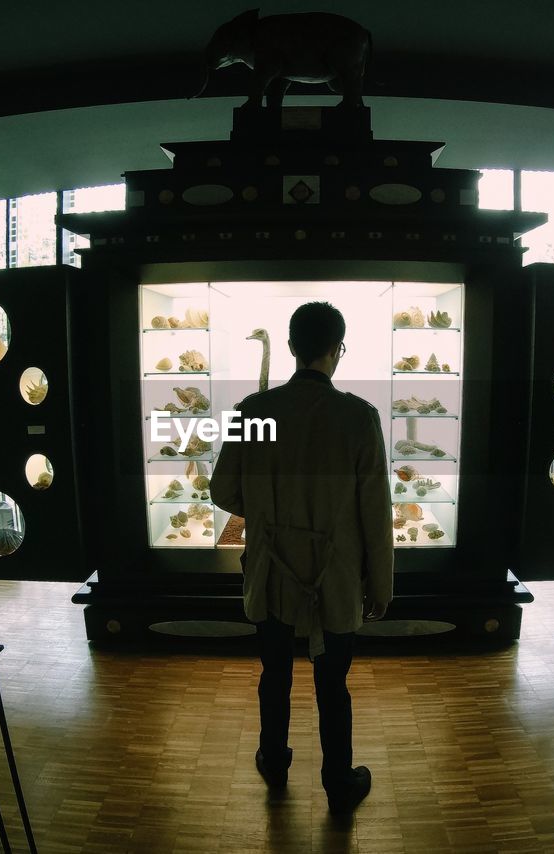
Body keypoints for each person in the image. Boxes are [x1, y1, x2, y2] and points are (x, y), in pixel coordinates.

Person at [212, 301, 394, 814]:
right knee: (332, 683)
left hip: (270, 571)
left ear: (291, 347)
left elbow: (224, 491)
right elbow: (375, 513)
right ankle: (338, 780)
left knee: (275, 673)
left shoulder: (254, 411)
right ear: (338, 350)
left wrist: (268, 510)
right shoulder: (359, 418)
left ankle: (274, 759)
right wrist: (381, 585)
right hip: (334, 578)